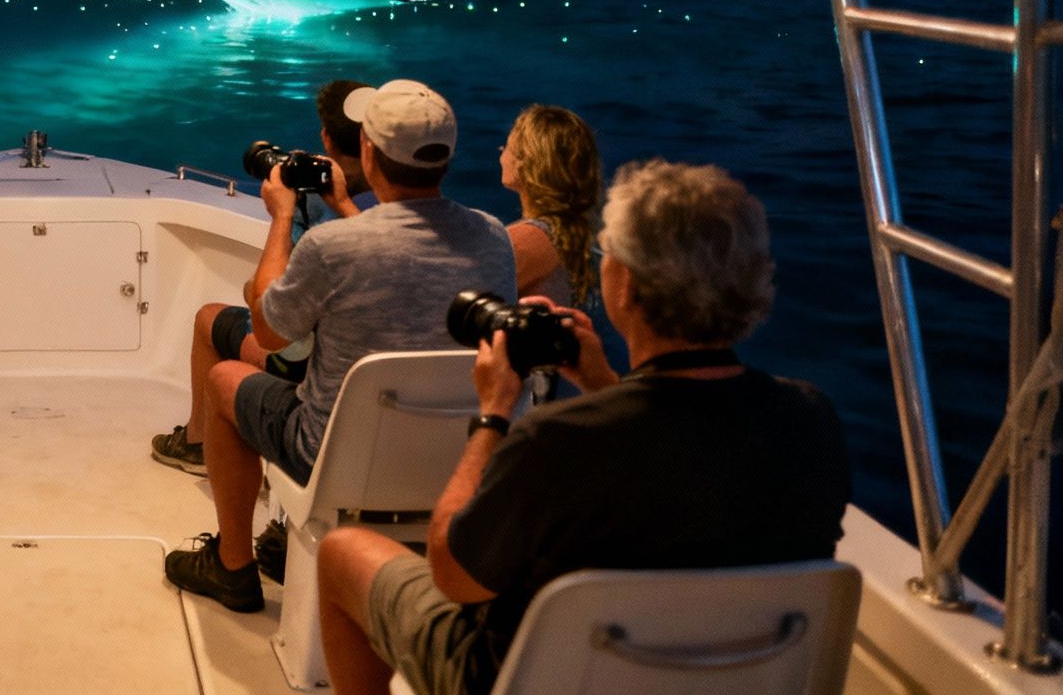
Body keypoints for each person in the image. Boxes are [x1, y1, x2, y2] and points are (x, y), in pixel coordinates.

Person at [314, 160, 849, 695]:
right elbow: (673, 447)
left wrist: (494, 411)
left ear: (629, 287)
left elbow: (453, 574)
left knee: (344, 553)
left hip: (536, 677)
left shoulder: (557, 439)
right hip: (724, 681)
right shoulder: (810, 419)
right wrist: (605, 385)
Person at [162, 80, 517, 613]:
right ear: (447, 156)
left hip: (335, 457)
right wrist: (348, 206)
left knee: (225, 380)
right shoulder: (493, 237)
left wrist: (283, 216)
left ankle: (231, 566)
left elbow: (267, 332)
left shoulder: (333, 247)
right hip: (458, 456)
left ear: (368, 151)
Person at [151, 78, 375, 477]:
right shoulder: (458, 234)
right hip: (386, 400)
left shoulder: (326, 233)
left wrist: (284, 216)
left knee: (211, 320)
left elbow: (271, 327)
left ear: (326, 135)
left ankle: (197, 443)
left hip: (316, 381)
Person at [498, 104, 601, 306]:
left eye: (507, 147)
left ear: (525, 163)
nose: (502, 156)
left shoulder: (525, 241)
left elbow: (448, 296)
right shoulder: (579, 234)